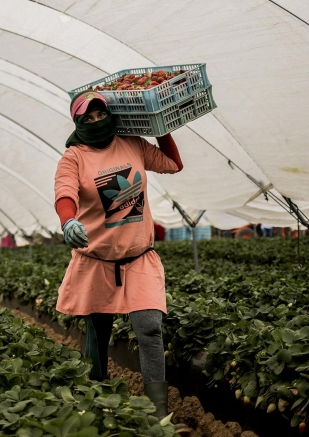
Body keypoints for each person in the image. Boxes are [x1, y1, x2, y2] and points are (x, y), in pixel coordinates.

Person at [54, 91, 188, 432]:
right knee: (98, 334)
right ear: (79, 123)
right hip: (96, 258)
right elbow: (65, 193)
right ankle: (96, 396)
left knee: (149, 328)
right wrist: (68, 221)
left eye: (101, 115)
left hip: (138, 257)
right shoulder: (74, 157)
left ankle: (158, 412)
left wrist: (161, 126)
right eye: (89, 118)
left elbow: (173, 164)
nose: (97, 122)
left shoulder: (131, 143)